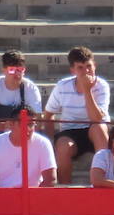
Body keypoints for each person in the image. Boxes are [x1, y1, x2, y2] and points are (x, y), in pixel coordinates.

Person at [45, 45, 110, 184]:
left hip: (94, 128)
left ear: (95, 66)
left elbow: (97, 118)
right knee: (62, 147)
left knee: (99, 128)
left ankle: (105, 182)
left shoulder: (102, 86)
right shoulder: (62, 86)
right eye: (80, 67)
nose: (86, 71)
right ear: (73, 70)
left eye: (89, 66)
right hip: (70, 131)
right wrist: (50, 140)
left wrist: (87, 90)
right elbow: (49, 113)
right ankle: (64, 190)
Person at [0, 49, 43, 145]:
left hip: (24, 133)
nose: (17, 74)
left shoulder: (31, 88)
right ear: (3, 70)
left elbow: (38, 121)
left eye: (20, 70)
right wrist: (6, 127)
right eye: (12, 70)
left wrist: (18, 130)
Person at [0, 113, 57, 188]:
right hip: (1, 198)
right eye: (22, 124)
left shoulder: (43, 143)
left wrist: (32, 199)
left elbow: (51, 179)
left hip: (33, 197)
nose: (27, 129)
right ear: (10, 124)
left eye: (31, 124)